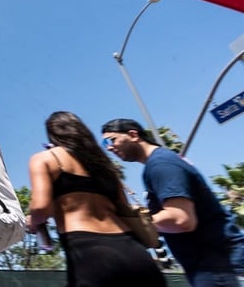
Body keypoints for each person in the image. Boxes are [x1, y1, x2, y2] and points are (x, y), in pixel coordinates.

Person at [27, 112, 165, 286]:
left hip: (89, 252)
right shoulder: (104, 166)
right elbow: (123, 208)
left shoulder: (45, 159)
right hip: (134, 250)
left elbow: (41, 209)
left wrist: (32, 221)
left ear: (52, 135)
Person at [102, 118, 244, 286]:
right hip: (211, 264)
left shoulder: (161, 165)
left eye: (111, 140)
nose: (109, 147)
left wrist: (135, 222)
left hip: (218, 264)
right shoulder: (159, 163)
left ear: (133, 135)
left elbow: (180, 219)